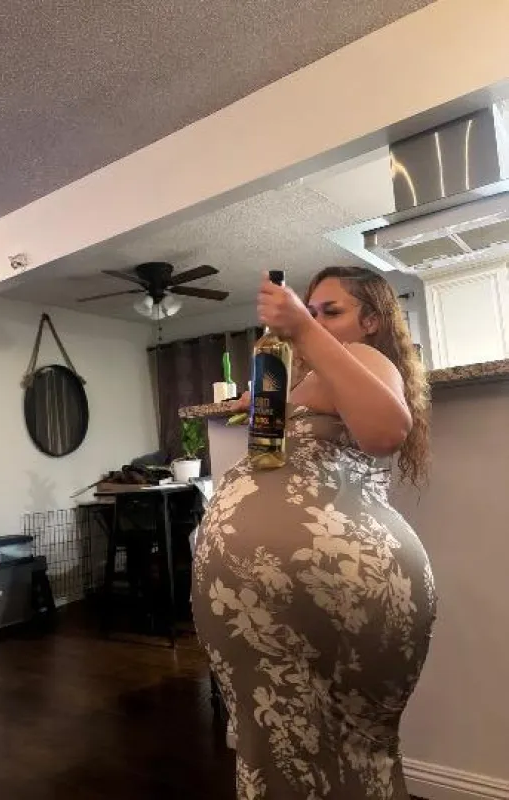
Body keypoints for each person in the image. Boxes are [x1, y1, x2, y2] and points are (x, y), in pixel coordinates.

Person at [192, 266, 436, 800]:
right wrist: (265, 406)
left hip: (336, 584)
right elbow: (281, 453)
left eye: (332, 311)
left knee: (343, 740)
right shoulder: (308, 377)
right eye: (311, 310)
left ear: (371, 320)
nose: (317, 320)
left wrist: (303, 328)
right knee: (281, 739)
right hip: (257, 596)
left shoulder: (365, 358)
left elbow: (385, 431)